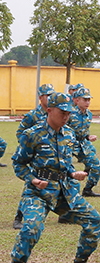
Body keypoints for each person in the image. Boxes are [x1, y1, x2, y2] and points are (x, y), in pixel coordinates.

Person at [7, 92, 100, 263]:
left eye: (68, 113)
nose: (66, 116)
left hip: (65, 192)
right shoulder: (32, 134)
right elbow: (18, 163)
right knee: (31, 228)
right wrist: (32, 179)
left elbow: (65, 163)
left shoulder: (68, 134)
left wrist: (72, 173)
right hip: (39, 193)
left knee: (95, 221)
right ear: (50, 110)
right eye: (62, 112)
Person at [12, 83, 55, 230]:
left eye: (51, 95)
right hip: (33, 155)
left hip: (48, 156)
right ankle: (19, 217)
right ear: (40, 97)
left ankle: (64, 212)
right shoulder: (33, 115)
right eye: (47, 95)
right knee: (31, 183)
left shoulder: (53, 113)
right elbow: (20, 132)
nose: (49, 98)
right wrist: (28, 147)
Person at [68, 87, 100, 198]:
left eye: (89, 100)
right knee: (64, 168)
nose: (87, 102)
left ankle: (88, 189)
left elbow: (83, 131)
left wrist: (88, 136)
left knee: (97, 166)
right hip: (69, 144)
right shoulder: (70, 113)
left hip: (83, 144)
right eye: (85, 99)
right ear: (77, 100)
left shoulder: (89, 114)